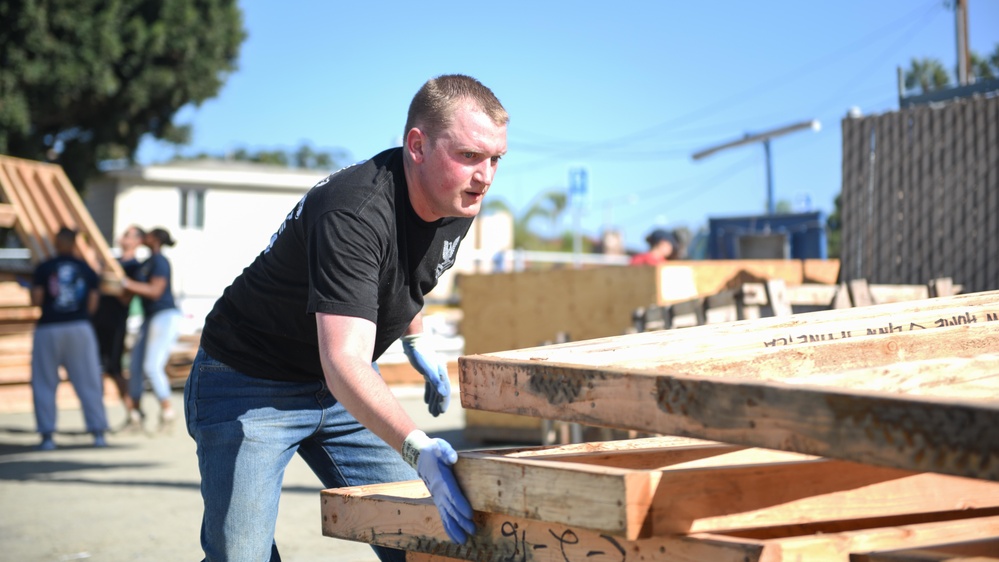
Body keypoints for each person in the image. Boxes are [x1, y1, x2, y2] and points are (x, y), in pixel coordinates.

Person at [185, 74, 508, 561]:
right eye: (468, 155)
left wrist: (415, 340)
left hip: (340, 383)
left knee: (427, 541)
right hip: (250, 382)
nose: (484, 175)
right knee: (240, 556)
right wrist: (418, 447)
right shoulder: (353, 212)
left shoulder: (457, 202)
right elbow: (343, 357)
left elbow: (401, 276)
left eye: (495, 158)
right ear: (416, 146)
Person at [30, 226, 109, 449]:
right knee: (89, 379)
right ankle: (98, 433)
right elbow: (93, 303)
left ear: (57, 243)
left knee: (44, 381)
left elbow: (37, 299)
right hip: (79, 326)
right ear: (74, 243)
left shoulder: (45, 267)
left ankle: (47, 435)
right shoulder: (86, 268)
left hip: (49, 327)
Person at [121, 227, 182, 432]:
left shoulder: (159, 261)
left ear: (155, 239)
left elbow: (155, 292)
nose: (143, 237)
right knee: (135, 366)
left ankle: (168, 413)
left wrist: (126, 283)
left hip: (164, 315)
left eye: (147, 235)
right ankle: (136, 416)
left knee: (152, 366)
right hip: (150, 318)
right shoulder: (146, 263)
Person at [90, 225, 145, 417]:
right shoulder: (111, 263)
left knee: (114, 370)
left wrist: (114, 282)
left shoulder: (134, 267)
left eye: (128, 235)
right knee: (96, 370)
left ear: (138, 241)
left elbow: (126, 297)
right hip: (97, 322)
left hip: (115, 324)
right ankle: (99, 417)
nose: (123, 238)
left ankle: (133, 414)